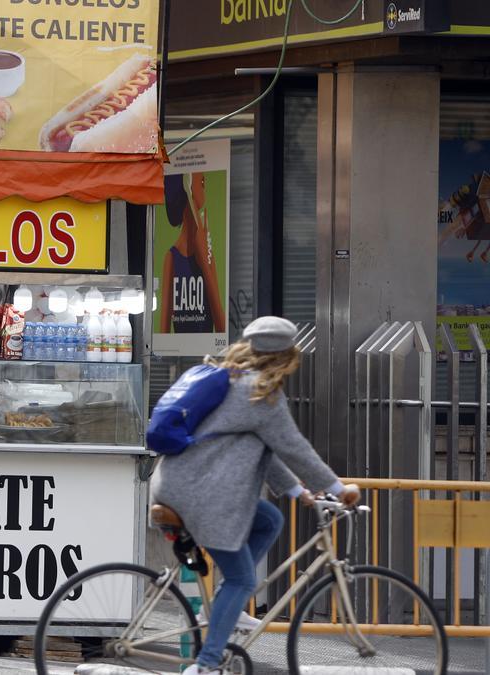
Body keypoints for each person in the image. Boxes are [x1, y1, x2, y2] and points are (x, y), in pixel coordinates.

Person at [151, 316, 359, 675]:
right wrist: (340, 488)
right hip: (205, 494)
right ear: (285, 357)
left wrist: (298, 491)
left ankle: (218, 607)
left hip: (179, 482)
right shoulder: (261, 392)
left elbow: (265, 448)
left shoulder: (227, 379)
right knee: (243, 579)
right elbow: (293, 446)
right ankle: (206, 664)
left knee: (270, 519)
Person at [159, 172, 226, 334]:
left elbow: (222, 330)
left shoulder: (206, 250)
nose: (204, 185)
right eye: (202, 181)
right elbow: (164, 333)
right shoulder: (172, 258)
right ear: (186, 188)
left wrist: (205, 263)